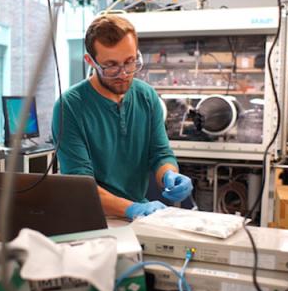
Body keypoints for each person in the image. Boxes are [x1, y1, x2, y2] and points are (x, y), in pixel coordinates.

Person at [52, 14, 193, 220]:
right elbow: (81, 185)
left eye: (130, 62)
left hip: (138, 214)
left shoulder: (147, 96)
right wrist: (131, 209)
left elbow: (160, 154)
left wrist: (169, 174)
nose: (124, 73)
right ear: (90, 61)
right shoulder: (70, 106)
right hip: (91, 216)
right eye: (111, 65)